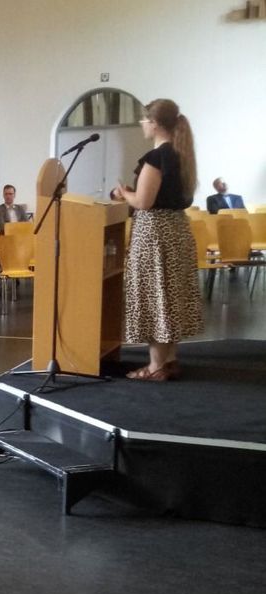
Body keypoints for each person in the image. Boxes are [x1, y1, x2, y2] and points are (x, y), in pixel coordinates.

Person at [111, 98, 202, 382]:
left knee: (154, 296)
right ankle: (170, 360)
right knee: (169, 296)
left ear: (154, 123)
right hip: (176, 230)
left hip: (155, 234)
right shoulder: (181, 154)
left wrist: (123, 194)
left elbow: (144, 201)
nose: (142, 125)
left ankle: (155, 367)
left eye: (143, 120)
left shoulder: (157, 157)